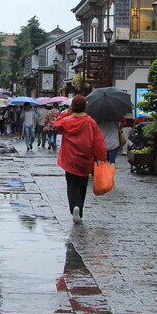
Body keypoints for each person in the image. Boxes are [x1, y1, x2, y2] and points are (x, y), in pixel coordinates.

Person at [54, 95, 106, 224]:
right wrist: (101, 157)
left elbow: (56, 124)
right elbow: (98, 142)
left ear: (72, 107)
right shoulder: (91, 122)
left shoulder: (66, 121)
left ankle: (73, 208)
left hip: (70, 158)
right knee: (82, 185)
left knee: (71, 184)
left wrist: (66, 113)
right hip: (85, 159)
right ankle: (79, 207)